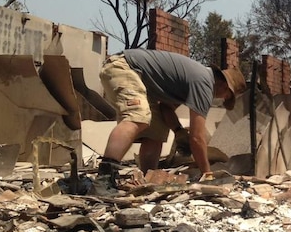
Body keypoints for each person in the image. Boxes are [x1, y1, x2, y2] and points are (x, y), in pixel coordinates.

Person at [95, 49, 247, 190]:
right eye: (226, 96)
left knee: (157, 130)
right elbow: (197, 137)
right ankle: (103, 180)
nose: (220, 98)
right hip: (124, 68)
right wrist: (207, 175)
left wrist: (179, 131)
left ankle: (148, 178)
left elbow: (166, 108)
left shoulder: (194, 80)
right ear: (223, 85)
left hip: (143, 83)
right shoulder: (205, 83)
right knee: (137, 116)